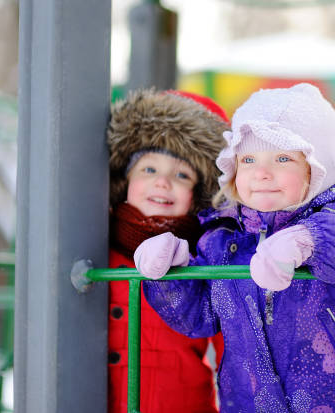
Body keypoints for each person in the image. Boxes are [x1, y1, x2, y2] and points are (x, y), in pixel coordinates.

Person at [134, 83, 335, 412]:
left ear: (318, 166)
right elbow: (199, 317)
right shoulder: (226, 235)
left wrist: (311, 240)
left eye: (282, 158)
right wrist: (172, 274)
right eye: (248, 159)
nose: (261, 173)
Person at [106, 89, 228, 413]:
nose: (162, 182)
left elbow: (235, 353)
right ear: (125, 180)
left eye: (181, 175)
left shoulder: (207, 259)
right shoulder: (97, 243)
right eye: (148, 169)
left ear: (199, 194)